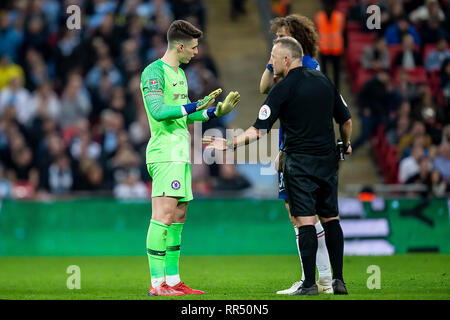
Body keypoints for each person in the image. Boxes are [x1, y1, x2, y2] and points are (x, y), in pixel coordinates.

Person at [204, 37, 352, 295]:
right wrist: (346, 144)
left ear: (286, 59)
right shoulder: (325, 81)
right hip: (328, 161)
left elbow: (259, 130)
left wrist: (228, 145)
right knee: (331, 218)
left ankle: (309, 284)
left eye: (273, 58)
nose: (270, 63)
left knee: (305, 222)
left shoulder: (283, 89)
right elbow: (346, 120)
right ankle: (338, 280)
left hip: (299, 163)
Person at [141, 20, 240, 296]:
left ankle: (173, 281)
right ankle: (156, 284)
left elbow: (185, 116)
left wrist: (214, 112)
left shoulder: (181, 75)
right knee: (162, 216)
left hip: (181, 154)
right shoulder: (153, 72)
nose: (196, 52)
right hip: (164, 154)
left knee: (179, 216)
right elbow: (160, 111)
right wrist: (196, 104)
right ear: (181, 45)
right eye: (194, 47)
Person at [259, 14, 333, 295]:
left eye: (282, 37)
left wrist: (286, 149)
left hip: (299, 151)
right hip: (294, 147)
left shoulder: (308, 69)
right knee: (299, 215)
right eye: (276, 37)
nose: (277, 41)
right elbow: (264, 86)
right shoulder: (288, 69)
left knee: (303, 216)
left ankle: (315, 279)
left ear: (296, 40)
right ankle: (322, 279)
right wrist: (271, 61)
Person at [314, 0, 344, 90]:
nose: (328, 6)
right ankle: (325, 89)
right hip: (324, 49)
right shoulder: (318, 17)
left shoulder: (340, 17)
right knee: (324, 73)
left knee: (336, 73)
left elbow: (343, 33)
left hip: (336, 49)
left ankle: (336, 91)